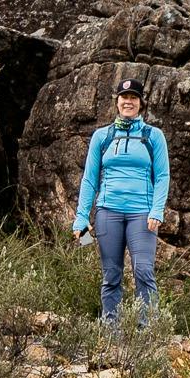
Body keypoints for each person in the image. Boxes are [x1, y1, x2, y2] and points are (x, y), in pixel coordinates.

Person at [72, 77, 170, 327]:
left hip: (142, 214)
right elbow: (89, 179)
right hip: (108, 212)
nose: (128, 101)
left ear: (141, 103)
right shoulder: (102, 136)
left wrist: (157, 209)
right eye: (124, 97)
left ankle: (147, 334)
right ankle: (110, 333)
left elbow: (162, 176)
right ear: (116, 101)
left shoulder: (153, 136)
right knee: (111, 275)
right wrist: (81, 217)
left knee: (143, 271)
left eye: (134, 98)